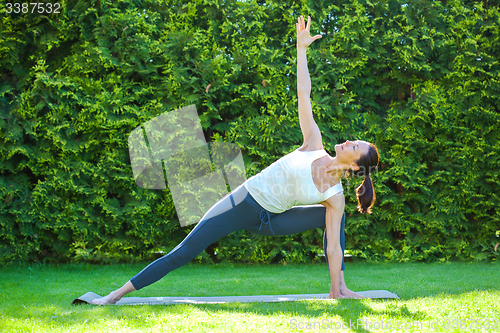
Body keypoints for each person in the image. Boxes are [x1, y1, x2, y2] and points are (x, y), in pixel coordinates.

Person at [92, 15, 379, 305]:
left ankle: (338, 288)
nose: (346, 141)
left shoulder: (335, 196)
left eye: (353, 145)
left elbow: (333, 248)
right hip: (243, 202)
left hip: (274, 221)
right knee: (184, 250)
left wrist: (331, 294)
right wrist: (301, 49)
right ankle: (114, 296)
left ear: (355, 165)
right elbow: (303, 94)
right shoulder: (313, 143)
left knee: (334, 220)